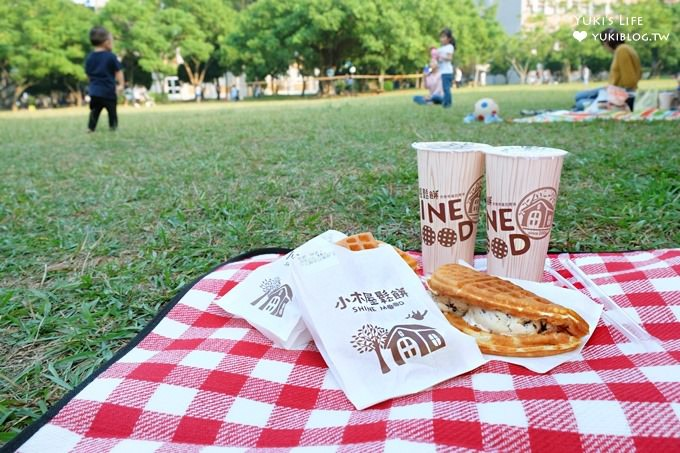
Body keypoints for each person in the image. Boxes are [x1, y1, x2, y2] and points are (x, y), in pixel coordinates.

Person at [574, 28, 641, 111]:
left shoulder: (622, 50)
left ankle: (577, 109)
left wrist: (611, 89)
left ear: (606, 42)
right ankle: (577, 109)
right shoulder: (624, 49)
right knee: (579, 97)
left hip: (621, 94)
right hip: (615, 90)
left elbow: (629, 82)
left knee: (580, 101)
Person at [85, 26, 124, 132]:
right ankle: (113, 127)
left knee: (94, 111)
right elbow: (118, 71)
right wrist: (120, 85)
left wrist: (92, 83)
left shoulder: (90, 57)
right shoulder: (110, 56)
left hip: (95, 91)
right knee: (112, 111)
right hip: (108, 91)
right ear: (107, 42)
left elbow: (88, 74)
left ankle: (90, 127)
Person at [437, 28, 455, 108]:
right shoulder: (440, 48)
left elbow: (449, 58)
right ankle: (445, 102)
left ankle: (448, 104)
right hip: (441, 71)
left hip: (447, 72)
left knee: (446, 88)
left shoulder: (449, 47)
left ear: (449, 39)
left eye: (444, 37)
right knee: (443, 89)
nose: (442, 39)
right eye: (441, 37)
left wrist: (440, 56)